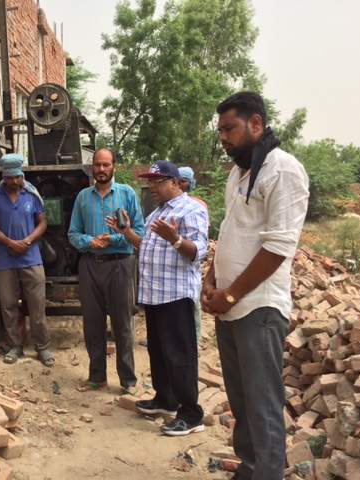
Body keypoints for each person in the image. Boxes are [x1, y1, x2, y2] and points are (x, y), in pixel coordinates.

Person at [202, 92, 309, 479]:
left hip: (258, 308)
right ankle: (249, 469)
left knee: (262, 404)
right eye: (220, 131)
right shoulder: (239, 173)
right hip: (230, 308)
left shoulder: (284, 170)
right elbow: (231, 232)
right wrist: (213, 279)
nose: (223, 138)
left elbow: (279, 246)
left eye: (229, 129)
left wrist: (231, 293)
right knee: (242, 401)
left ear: (256, 124)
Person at [108, 160, 209, 435]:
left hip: (176, 296)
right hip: (154, 295)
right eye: (150, 181)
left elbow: (199, 252)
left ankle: (191, 415)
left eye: (158, 181)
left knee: (180, 355)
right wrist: (126, 233)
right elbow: (148, 246)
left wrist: (176, 239)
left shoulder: (192, 210)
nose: (152, 186)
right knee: (159, 351)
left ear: (175, 183)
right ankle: (166, 399)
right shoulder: (158, 213)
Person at [68, 148, 145, 395]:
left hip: (120, 265)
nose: (101, 170)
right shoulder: (82, 197)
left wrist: (113, 239)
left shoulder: (127, 194)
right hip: (90, 265)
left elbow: (140, 234)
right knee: (92, 324)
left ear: (114, 166)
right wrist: (90, 242)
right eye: (97, 165)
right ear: (92, 167)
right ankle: (97, 377)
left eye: (106, 165)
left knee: (122, 323)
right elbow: (73, 233)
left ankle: (128, 381)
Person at [0, 153, 55, 367]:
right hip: (6, 260)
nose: (13, 182)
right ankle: (15, 346)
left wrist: (27, 241)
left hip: (32, 258)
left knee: (36, 306)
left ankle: (42, 347)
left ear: (21, 175)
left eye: (16, 177)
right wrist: (8, 242)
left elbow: (42, 223)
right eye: (8, 178)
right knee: (8, 305)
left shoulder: (32, 194)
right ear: (3, 177)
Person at [178, 166, 208, 340]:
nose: (180, 184)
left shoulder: (197, 205)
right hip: (175, 261)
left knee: (192, 302)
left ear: (190, 184)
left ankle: (194, 339)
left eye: (184, 181)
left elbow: (200, 240)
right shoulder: (168, 205)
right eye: (178, 180)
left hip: (190, 260)